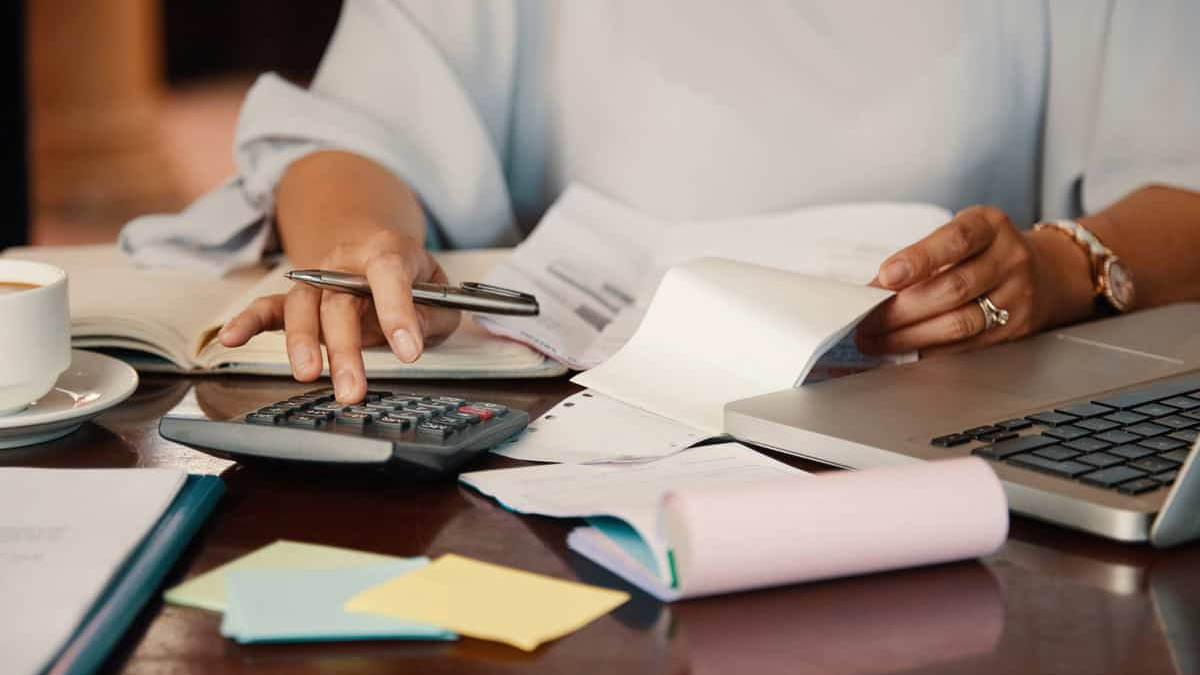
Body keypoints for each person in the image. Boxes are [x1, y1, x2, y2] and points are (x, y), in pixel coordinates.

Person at [122, 1, 1200, 404]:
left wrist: (1062, 267)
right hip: (585, 427)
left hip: (941, 431)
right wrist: (363, 246)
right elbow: (349, 133)